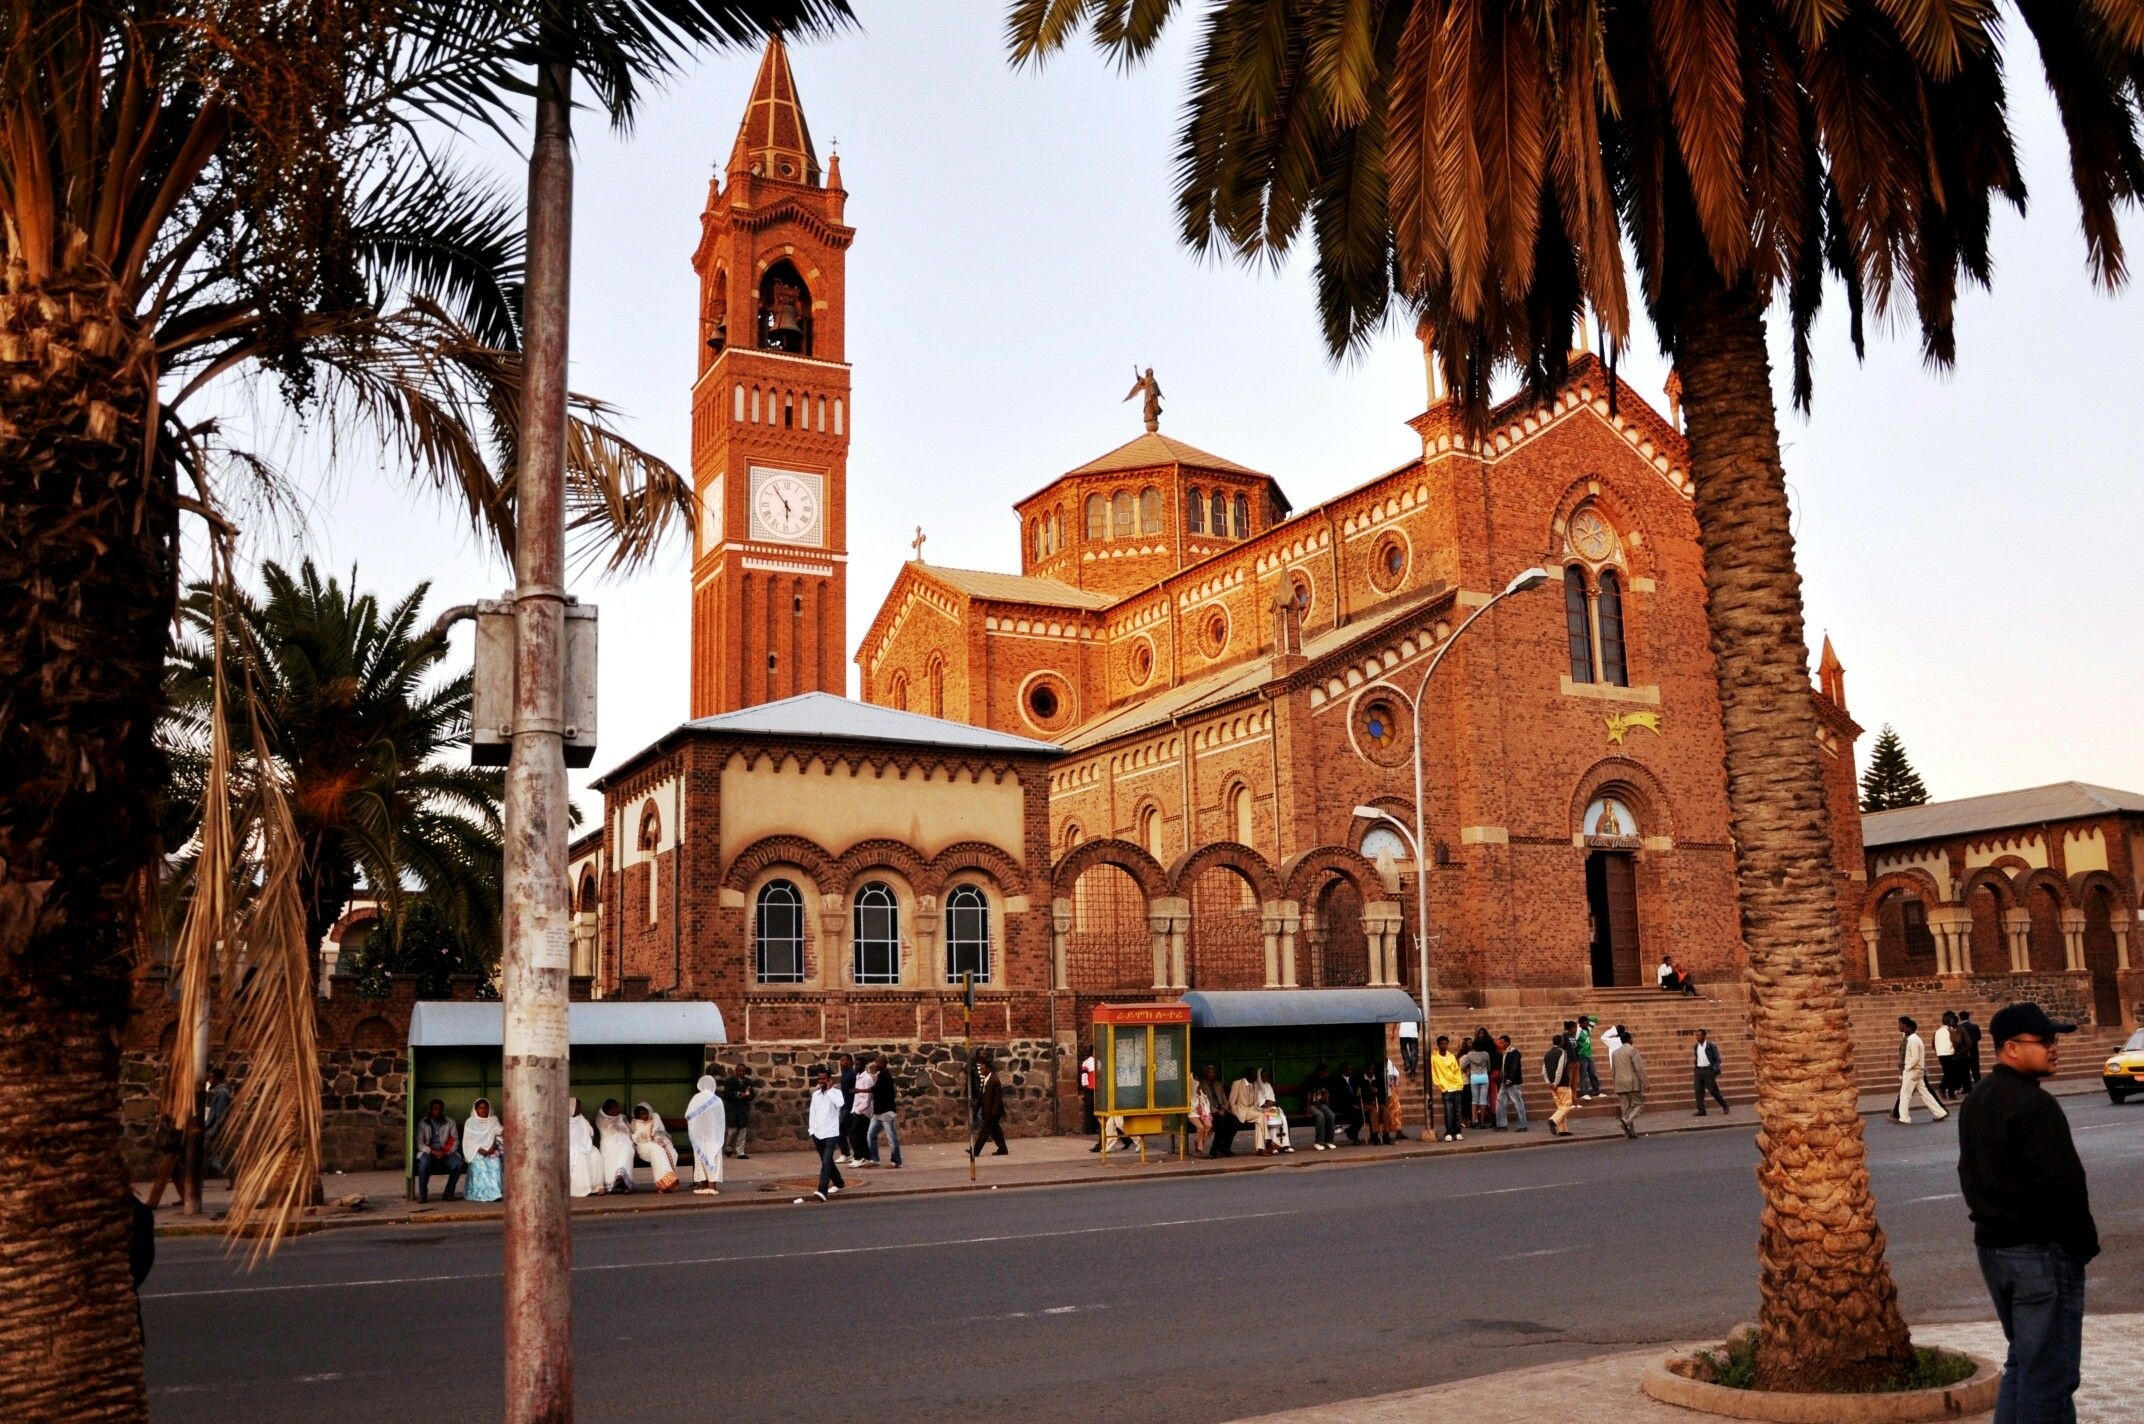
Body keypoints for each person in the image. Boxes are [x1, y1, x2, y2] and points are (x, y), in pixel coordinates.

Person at [1958, 1003, 2095, 1424]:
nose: (2054, 1048)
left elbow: (1967, 1172)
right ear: (2011, 1048)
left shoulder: (1976, 1100)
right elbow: (2063, 1186)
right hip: (2040, 1253)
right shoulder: (2035, 1106)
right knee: (2050, 1377)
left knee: (2023, 1362)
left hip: (1996, 1251)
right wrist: (2081, 1247)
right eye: (2046, 1041)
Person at [1895, 1016, 1949, 1125]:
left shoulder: (1913, 1040)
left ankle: (1904, 1118)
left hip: (1912, 1070)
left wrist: (1907, 1068)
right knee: (1925, 1094)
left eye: (1902, 1025)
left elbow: (1914, 1058)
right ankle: (1940, 1113)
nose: (1901, 1027)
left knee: (1905, 1095)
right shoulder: (1915, 1039)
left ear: (1909, 1027)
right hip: (1918, 1071)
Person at [413, 1099, 464, 1203]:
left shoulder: (450, 1122)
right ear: (431, 1110)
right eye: (435, 1109)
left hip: (445, 1152)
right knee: (423, 1164)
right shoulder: (423, 1123)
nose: (438, 1112)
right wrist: (433, 1152)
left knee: (458, 1164)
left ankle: (448, 1193)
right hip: (429, 1152)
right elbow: (420, 1143)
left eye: (440, 1109)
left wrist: (445, 1152)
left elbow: (455, 1141)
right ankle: (423, 1194)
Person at [808, 1066, 846, 1201]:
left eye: (824, 1079)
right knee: (827, 1161)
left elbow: (840, 1104)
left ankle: (822, 1191)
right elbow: (813, 1113)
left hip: (831, 1132)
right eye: (820, 1079)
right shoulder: (815, 1095)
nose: (821, 1081)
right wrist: (811, 1130)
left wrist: (830, 1090)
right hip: (817, 1132)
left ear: (829, 1080)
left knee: (825, 1162)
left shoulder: (836, 1093)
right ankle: (839, 1182)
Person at [685, 1074, 726, 1195]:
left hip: (699, 1136)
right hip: (714, 1136)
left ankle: (704, 1185)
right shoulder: (717, 1100)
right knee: (714, 1158)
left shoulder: (696, 1099)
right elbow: (720, 1119)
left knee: (701, 1159)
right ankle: (712, 1186)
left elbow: (688, 1115)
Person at [631, 1102, 680, 1193]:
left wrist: (657, 1138)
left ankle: (669, 1182)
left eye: (646, 1113)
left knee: (668, 1151)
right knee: (657, 1150)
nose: (645, 1116)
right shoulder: (635, 1123)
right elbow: (635, 1138)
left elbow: (661, 1132)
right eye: (642, 1114)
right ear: (638, 1115)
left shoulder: (655, 1117)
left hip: (658, 1142)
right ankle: (665, 1182)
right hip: (643, 1146)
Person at [462, 1097, 504, 1202]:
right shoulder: (470, 1122)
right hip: (476, 1151)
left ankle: (496, 1193)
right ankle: (480, 1194)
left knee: (494, 1162)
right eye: (480, 1108)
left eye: (485, 1108)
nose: (483, 1110)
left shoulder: (493, 1120)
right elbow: (468, 1141)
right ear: (476, 1110)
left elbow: (499, 1135)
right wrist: (479, 1149)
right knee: (480, 1163)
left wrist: (492, 1148)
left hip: (492, 1149)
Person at [867, 1055, 903, 1168]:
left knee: (891, 1137)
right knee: (870, 1134)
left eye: (877, 1062)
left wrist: (859, 1090)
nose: (875, 1064)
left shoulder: (886, 1076)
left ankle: (896, 1161)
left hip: (886, 1112)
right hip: (878, 1112)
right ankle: (874, 1159)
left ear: (883, 1064)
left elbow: (875, 1090)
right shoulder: (881, 1076)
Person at [202, 1067, 234, 1189]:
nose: (209, 1081)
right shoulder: (217, 1092)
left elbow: (220, 1115)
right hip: (212, 1129)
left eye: (211, 1078)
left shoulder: (222, 1093)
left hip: (216, 1130)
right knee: (205, 1155)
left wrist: (213, 1130)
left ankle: (234, 1178)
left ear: (216, 1078)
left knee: (221, 1155)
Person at [970, 1052, 1008, 1157]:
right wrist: (976, 1111)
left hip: (992, 1112)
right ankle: (1003, 1148)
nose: (981, 1071)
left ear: (987, 1068)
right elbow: (981, 1098)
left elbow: (998, 1098)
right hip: (987, 1111)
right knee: (996, 1132)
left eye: (982, 1068)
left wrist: (993, 1113)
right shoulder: (985, 1080)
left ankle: (975, 1151)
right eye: (980, 1069)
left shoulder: (994, 1080)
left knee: (985, 1131)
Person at [1612, 1028, 1649, 1138]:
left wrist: (1616, 1082)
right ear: (1629, 1040)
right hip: (1632, 1082)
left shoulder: (1615, 1053)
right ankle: (1625, 1120)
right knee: (1638, 1105)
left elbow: (1613, 1070)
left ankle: (1630, 1132)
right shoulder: (1632, 1050)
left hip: (1620, 1083)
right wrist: (1646, 1083)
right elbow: (1640, 1068)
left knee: (1626, 1108)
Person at [567, 1097, 606, 1198]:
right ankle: (583, 1188)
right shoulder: (565, 1120)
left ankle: (598, 1186)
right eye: (578, 1106)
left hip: (585, 1145)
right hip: (572, 1147)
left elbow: (590, 1133)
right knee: (581, 1159)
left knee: (596, 1155)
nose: (580, 1108)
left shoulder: (581, 1118)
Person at [596, 1098, 637, 1192]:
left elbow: (629, 1130)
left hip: (624, 1142)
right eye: (614, 1108)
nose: (617, 1110)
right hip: (609, 1143)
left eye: (617, 1107)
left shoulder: (622, 1117)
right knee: (616, 1151)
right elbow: (610, 1130)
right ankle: (615, 1181)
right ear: (607, 1111)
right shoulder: (601, 1119)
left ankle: (623, 1179)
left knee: (627, 1149)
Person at [1430, 1035, 1465, 1142]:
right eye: (1442, 1044)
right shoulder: (1434, 1058)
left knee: (1458, 1111)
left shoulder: (1451, 1056)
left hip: (1456, 1086)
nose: (1444, 1045)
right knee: (1449, 1111)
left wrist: (1460, 1083)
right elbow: (1434, 1073)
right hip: (1446, 1088)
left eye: (1446, 1043)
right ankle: (1449, 1131)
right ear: (1438, 1045)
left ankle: (1458, 1132)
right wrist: (1441, 1085)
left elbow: (1456, 1070)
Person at [1543, 1033, 1576, 1137]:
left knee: (1561, 1107)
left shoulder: (1547, 1054)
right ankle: (1553, 1120)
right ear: (1561, 1042)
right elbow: (1560, 1069)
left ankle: (1563, 1130)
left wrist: (1549, 1082)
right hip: (1561, 1084)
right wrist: (1556, 1083)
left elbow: (1543, 1071)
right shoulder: (1562, 1052)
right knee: (1567, 1105)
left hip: (1552, 1085)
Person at [1228, 1066, 1266, 1154]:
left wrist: (1260, 1109)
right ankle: (1268, 1142)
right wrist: (1235, 1114)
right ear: (1248, 1075)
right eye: (1255, 1074)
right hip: (1241, 1111)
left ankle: (1260, 1148)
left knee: (1260, 1120)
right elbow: (1231, 1102)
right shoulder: (1237, 1084)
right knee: (1261, 1117)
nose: (1257, 1076)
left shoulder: (1255, 1085)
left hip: (1251, 1110)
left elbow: (1255, 1103)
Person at [1494, 1035, 1529, 1131]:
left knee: (1517, 1103)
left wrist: (1509, 1079)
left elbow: (1514, 1066)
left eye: (1502, 1042)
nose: (1500, 1044)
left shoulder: (1513, 1052)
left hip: (1512, 1082)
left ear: (1507, 1042)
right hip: (1504, 1082)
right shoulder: (1506, 1053)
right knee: (1500, 1103)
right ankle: (1501, 1125)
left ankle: (1523, 1125)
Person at [1256, 1068, 1294, 1152]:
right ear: (1259, 1076)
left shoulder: (1268, 1085)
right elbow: (1258, 1102)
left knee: (1283, 1118)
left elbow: (1273, 1099)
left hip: (1272, 1108)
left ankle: (1285, 1145)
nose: (1266, 1077)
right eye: (1264, 1075)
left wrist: (1272, 1103)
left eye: (1267, 1075)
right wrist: (1266, 1104)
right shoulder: (1256, 1086)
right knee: (1272, 1121)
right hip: (1262, 1109)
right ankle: (1273, 1146)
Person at [1692, 1029, 1730, 1116]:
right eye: (1696, 1035)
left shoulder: (1711, 1046)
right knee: (1698, 1091)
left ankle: (1725, 1105)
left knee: (1713, 1091)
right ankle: (1701, 1110)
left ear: (1704, 1036)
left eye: (1699, 1035)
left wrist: (1714, 1069)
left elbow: (1717, 1059)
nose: (1697, 1037)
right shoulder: (1696, 1046)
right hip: (1698, 1071)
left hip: (1708, 1071)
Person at [720, 1064, 754, 1159]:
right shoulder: (730, 1081)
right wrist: (737, 1094)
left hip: (743, 1109)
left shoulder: (747, 1082)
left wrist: (747, 1096)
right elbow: (726, 1094)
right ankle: (728, 1147)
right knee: (732, 1131)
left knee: (743, 1131)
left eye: (743, 1071)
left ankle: (740, 1152)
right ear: (736, 1071)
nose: (741, 1073)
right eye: (739, 1071)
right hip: (733, 1109)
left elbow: (752, 1095)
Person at [850, 1058, 878, 1164]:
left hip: (863, 1111)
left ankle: (859, 1157)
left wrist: (859, 1110)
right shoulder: (858, 1077)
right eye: (855, 1065)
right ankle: (866, 1156)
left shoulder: (867, 1078)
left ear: (863, 1065)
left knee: (855, 1133)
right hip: (857, 1109)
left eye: (858, 1064)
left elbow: (867, 1097)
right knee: (860, 1134)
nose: (856, 1067)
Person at [837, 1053, 862, 1167]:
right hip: (845, 1105)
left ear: (850, 1062)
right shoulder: (845, 1073)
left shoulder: (852, 1074)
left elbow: (855, 1090)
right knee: (842, 1130)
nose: (841, 1062)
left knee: (849, 1131)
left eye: (843, 1060)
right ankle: (846, 1153)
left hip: (850, 1106)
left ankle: (855, 1155)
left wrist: (853, 1106)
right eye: (841, 1060)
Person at [1304, 1063, 1337, 1149]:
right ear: (1321, 1072)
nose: (1327, 1074)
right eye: (1326, 1072)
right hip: (1310, 1105)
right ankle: (1318, 1142)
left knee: (1331, 1115)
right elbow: (1308, 1095)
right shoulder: (1311, 1079)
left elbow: (1327, 1094)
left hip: (1320, 1104)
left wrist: (1328, 1108)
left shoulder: (1325, 1080)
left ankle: (1329, 1141)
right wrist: (1308, 1110)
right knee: (1320, 1116)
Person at [1461, 1037, 1492, 1130]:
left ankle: (1474, 1121)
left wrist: (1468, 1070)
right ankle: (1482, 1122)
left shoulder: (1470, 1054)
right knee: (1483, 1100)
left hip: (1474, 1077)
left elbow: (1462, 1065)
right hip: (1484, 1076)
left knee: (1474, 1100)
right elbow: (1489, 1066)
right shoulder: (1486, 1054)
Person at [1329, 1060, 1361, 1145]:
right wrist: (1352, 1105)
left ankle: (1350, 1131)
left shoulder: (1352, 1079)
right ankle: (1354, 1136)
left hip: (1352, 1104)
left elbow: (1355, 1093)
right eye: (1349, 1069)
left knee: (1361, 1113)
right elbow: (1339, 1097)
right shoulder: (1337, 1080)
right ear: (1344, 1070)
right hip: (1341, 1106)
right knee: (1357, 1114)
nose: (1351, 1071)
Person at [1936, 1012, 1963, 1102]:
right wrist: (1957, 1032)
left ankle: (1943, 1089)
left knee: (1947, 1073)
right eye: (1955, 1022)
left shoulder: (1938, 1031)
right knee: (1951, 1074)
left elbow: (1933, 1044)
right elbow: (1957, 1041)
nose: (1956, 1024)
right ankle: (1949, 1092)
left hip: (1940, 1054)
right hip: (1949, 1054)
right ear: (1951, 1022)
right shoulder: (1950, 1031)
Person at [1189, 1068, 1216, 1156]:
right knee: (1200, 1127)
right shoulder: (1190, 1091)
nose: (1197, 1081)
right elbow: (1193, 1086)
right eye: (1195, 1078)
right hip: (1192, 1113)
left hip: (1203, 1114)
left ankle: (1199, 1143)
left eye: (1198, 1079)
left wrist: (1208, 1116)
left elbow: (1206, 1105)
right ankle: (1199, 1148)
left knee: (1208, 1126)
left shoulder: (1201, 1092)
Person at [1572, 1018, 1601, 1098]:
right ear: (1580, 1024)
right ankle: (1584, 1093)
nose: (1587, 1025)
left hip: (1589, 1055)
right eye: (1585, 1023)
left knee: (1593, 1073)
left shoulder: (1588, 1029)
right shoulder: (1578, 1030)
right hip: (1582, 1055)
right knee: (1584, 1075)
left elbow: (1594, 1017)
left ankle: (1597, 1091)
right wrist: (1577, 1025)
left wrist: (1587, 1020)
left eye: (1588, 1023)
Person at [1958, 1010, 1984, 1088]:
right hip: (1974, 1051)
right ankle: (1979, 1086)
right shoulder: (1975, 1026)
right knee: (1976, 1070)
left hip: (1964, 1052)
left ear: (1960, 1018)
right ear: (1968, 1017)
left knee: (1965, 1071)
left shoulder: (1959, 1027)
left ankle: (1967, 1088)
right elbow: (1979, 1037)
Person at [1080, 1046, 1100, 1144]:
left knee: (1090, 1109)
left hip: (1091, 1089)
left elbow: (1084, 1076)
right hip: (1093, 1089)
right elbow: (1085, 1075)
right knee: (1094, 1109)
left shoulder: (1088, 1062)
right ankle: (1093, 1127)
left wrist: (1085, 1086)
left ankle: (1091, 1128)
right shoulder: (1092, 1062)